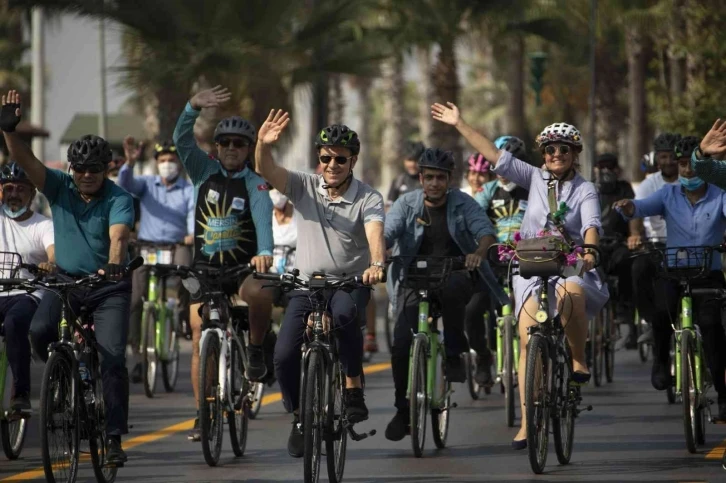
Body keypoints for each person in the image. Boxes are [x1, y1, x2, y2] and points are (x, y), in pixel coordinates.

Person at [432, 102, 607, 450]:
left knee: (572, 294)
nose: (557, 154)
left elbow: (591, 225)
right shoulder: (534, 176)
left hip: (570, 260)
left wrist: (589, 252)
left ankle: (577, 357)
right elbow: (493, 154)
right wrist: (459, 122)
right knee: (528, 339)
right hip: (530, 261)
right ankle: (528, 421)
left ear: (575, 154)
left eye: (564, 149)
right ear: (543, 153)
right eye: (551, 149)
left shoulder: (585, 189)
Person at [1, 90, 136, 464]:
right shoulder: (59, 186)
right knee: (39, 331)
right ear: (72, 169)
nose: (87, 175)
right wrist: (9, 131)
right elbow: (25, 161)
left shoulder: (119, 197)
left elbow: (119, 236)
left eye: (95, 169)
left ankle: (112, 438)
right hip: (66, 282)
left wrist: (113, 263)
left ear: (107, 168)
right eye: (80, 169)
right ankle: (64, 375)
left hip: (108, 286)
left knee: (111, 359)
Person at [255, 109, 386, 458]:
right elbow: (265, 170)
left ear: (353, 161)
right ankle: (300, 416)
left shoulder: (368, 197)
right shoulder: (304, 185)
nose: (332, 164)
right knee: (283, 356)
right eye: (325, 157)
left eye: (340, 159)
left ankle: (353, 386)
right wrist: (262, 145)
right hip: (306, 285)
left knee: (344, 318)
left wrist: (376, 263)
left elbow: (375, 232)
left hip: (349, 283)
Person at [172, 85, 275, 442]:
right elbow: (181, 140)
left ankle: (257, 348)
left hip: (241, 269)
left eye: (239, 144)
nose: (232, 149)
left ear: (248, 150)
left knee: (262, 293)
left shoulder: (257, 184)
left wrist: (265, 252)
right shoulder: (202, 171)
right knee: (200, 334)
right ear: (217, 147)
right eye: (225, 143)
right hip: (204, 270)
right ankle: (203, 413)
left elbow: (264, 224)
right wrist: (192, 107)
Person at [383, 147, 506, 441]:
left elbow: (486, 233)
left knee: (453, 290)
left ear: (449, 179)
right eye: (429, 178)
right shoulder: (406, 204)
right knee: (400, 346)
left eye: (440, 178)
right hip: (413, 277)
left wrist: (478, 253)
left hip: (455, 272)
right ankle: (403, 410)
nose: (434, 183)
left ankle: (453, 353)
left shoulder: (463, 204)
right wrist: (381, 251)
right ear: (421, 179)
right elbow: (387, 232)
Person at [614, 136, 726, 419]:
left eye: (692, 165)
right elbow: (640, 208)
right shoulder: (668, 194)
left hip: (708, 274)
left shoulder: (720, 194)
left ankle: (724, 397)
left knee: (713, 329)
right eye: (682, 165)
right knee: (662, 312)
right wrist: (628, 207)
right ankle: (661, 361)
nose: (687, 171)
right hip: (674, 271)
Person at [117, 138, 195, 383]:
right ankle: (139, 357)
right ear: (155, 163)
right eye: (162, 161)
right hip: (146, 248)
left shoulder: (187, 189)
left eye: (171, 161)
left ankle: (183, 317)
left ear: (179, 165)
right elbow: (124, 184)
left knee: (187, 275)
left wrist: (191, 234)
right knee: (135, 299)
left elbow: (193, 213)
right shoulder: (147, 184)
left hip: (176, 246)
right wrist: (129, 163)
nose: (167, 164)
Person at [466, 135, 530, 386]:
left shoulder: (532, 188)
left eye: (508, 164)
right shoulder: (488, 192)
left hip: (528, 260)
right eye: (497, 164)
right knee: (472, 311)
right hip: (493, 261)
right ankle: (484, 357)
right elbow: (474, 219)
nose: (502, 171)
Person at [0, 162, 55, 414]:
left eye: (20, 188)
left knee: (14, 324)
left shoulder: (42, 225)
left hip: (27, 292)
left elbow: (54, 253)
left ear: (32, 193)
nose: (13, 194)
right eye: (8, 188)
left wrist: (49, 263)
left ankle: (20, 393)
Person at [593, 153, 639, 344]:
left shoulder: (624, 188)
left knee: (627, 262)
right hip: (595, 243)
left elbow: (633, 212)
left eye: (610, 167)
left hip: (619, 241)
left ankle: (625, 308)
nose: (606, 172)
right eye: (602, 167)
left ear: (617, 170)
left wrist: (634, 235)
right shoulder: (589, 188)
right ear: (596, 169)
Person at [633, 133, 681, 242]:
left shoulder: (690, 181)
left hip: (688, 245)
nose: (668, 162)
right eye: (664, 157)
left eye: (672, 157)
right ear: (657, 159)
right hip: (657, 246)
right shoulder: (649, 184)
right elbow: (636, 210)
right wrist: (635, 234)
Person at [386, 141, 425, 208]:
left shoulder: (428, 180)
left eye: (416, 160)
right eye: (409, 160)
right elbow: (389, 206)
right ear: (404, 160)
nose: (412, 164)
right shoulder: (398, 181)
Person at [269, 187, 297, 274]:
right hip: (270, 275)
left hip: (296, 273)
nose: (276, 191)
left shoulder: (301, 214)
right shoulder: (265, 215)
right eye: (272, 187)